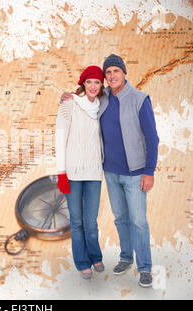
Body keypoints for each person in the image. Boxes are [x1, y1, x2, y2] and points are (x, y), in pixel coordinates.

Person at [60, 54, 159, 288]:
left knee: (138, 221)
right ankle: (126, 257)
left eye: (116, 70)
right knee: (121, 218)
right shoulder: (103, 99)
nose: (112, 75)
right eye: (108, 72)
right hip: (110, 172)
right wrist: (67, 97)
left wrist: (149, 171)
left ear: (124, 73)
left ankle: (144, 267)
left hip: (135, 173)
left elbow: (153, 138)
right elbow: (86, 99)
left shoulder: (139, 99)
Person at [55, 66, 105, 280]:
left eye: (97, 82)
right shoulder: (69, 104)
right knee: (76, 221)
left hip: (94, 171)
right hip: (73, 173)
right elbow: (59, 137)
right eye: (89, 82)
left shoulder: (103, 106)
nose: (93, 86)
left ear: (101, 85)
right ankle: (82, 262)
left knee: (91, 221)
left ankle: (95, 256)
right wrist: (61, 172)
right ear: (83, 83)